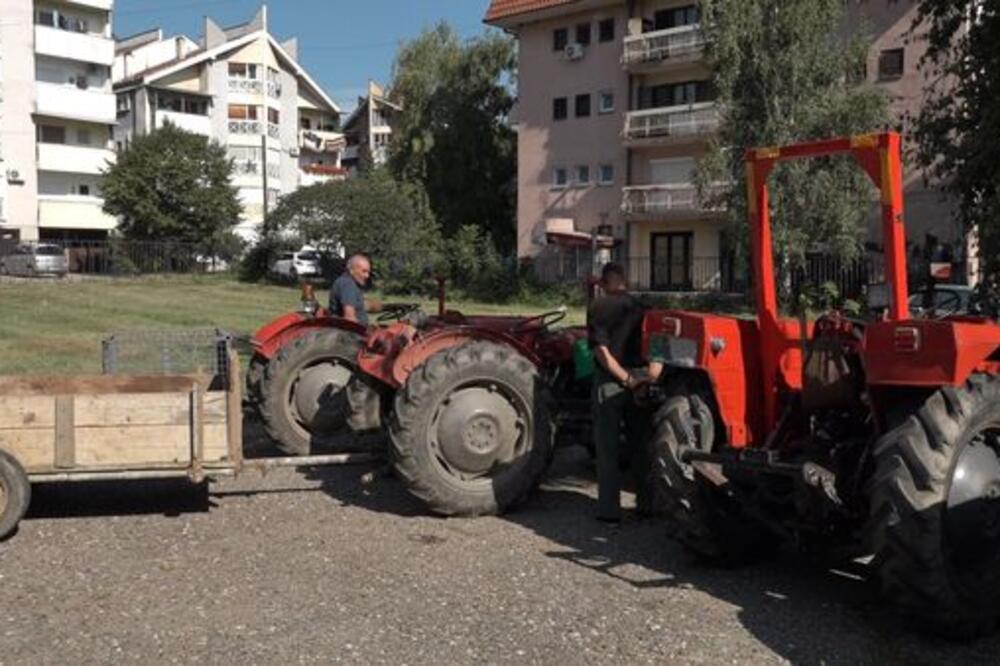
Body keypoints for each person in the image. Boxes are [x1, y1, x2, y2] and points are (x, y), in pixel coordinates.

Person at [587, 262, 649, 523]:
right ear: (625, 280)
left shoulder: (598, 308)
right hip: (639, 380)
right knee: (641, 445)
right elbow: (654, 344)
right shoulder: (641, 308)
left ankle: (609, 510)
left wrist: (623, 378)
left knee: (607, 449)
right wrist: (641, 379)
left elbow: (601, 351)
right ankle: (647, 503)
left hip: (610, 382)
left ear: (604, 282)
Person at [330, 254, 381, 326]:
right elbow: (349, 318)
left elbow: (358, 305)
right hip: (352, 334)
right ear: (352, 270)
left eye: (368, 272)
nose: (367, 276)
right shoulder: (347, 285)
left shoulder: (349, 283)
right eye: (364, 271)